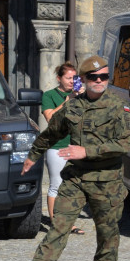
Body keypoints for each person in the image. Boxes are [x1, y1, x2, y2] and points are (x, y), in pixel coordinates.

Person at [8, 56, 130, 261]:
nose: (99, 81)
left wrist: (87, 151)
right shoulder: (73, 106)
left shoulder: (120, 107)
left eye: (104, 77)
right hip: (75, 178)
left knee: (106, 233)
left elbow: (125, 143)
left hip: (106, 182)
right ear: (84, 80)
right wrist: (32, 155)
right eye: (93, 77)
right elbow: (52, 133)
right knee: (58, 228)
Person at [40, 61, 84, 234]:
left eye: (75, 78)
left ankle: (68, 222)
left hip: (77, 147)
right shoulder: (49, 95)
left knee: (74, 186)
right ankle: (55, 222)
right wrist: (68, 100)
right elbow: (51, 118)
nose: (72, 81)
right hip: (58, 146)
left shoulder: (81, 95)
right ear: (59, 79)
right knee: (57, 185)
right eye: (68, 78)